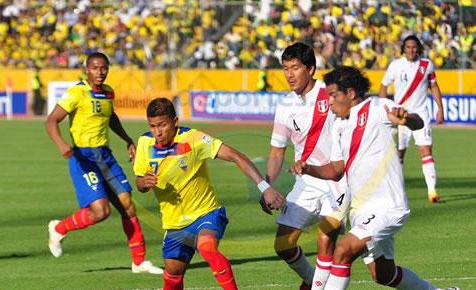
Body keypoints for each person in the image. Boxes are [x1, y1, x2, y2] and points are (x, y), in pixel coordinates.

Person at [292, 66, 458, 290]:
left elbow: (417, 122)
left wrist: (407, 119)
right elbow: (335, 170)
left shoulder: (378, 106)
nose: (329, 101)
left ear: (350, 93)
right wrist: (308, 168)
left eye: (333, 95)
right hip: (360, 211)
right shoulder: (338, 127)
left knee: (343, 251)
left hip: (387, 207)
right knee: (383, 274)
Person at [133, 98, 285, 290]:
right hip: (174, 223)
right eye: (153, 126)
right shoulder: (145, 143)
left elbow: (235, 156)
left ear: (175, 121)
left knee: (207, 246)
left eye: (162, 125)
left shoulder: (193, 139)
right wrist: (143, 183)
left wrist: (265, 187)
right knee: (172, 274)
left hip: (206, 213)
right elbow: (139, 182)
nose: (158, 132)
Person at [45, 52, 163, 274]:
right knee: (101, 212)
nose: (100, 72)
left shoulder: (108, 93)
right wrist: (62, 145)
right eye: (96, 68)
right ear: (87, 70)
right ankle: (59, 228)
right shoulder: (77, 92)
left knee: (128, 205)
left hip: (105, 156)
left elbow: (111, 117)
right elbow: (52, 120)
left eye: (104, 68)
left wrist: (127, 140)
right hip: (83, 158)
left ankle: (139, 262)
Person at [265, 42, 349, 290]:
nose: (289, 74)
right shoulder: (284, 105)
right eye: (285, 68)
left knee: (327, 241)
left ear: (311, 69)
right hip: (307, 182)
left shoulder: (331, 93)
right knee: (283, 244)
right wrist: (267, 187)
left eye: (295, 68)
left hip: (337, 181)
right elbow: (277, 150)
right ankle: (313, 281)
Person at [379, 34, 444, 203]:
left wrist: (440, 109)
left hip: (421, 115)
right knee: (399, 154)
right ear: (403, 49)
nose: (411, 50)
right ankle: (398, 192)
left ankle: (432, 191)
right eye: (408, 47)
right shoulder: (395, 65)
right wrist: (383, 108)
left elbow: (434, 86)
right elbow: (384, 85)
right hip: (400, 115)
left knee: (425, 151)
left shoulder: (426, 65)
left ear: (418, 48)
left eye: (414, 47)